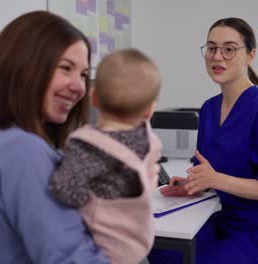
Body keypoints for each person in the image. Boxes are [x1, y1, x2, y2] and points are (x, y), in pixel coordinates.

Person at [148, 17, 258, 264]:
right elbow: (210, 171)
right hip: (225, 218)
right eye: (211, 48)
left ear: (250, 55)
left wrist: (215, 179)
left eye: (229, 49)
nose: (217, 56)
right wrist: (194, 184)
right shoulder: (210, 109)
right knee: (159, 247)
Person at [0, 11, 110, 263]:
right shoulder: (22, 150)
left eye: (83, 74)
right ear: (24, 65)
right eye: (66, 68)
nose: (80, 86)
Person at [49, 48, 162, 264]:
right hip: (140, 243)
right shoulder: (150, 141)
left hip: (106, 249)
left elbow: (65, 191)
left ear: (93, 98)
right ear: (149, 111)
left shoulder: (85, 145)